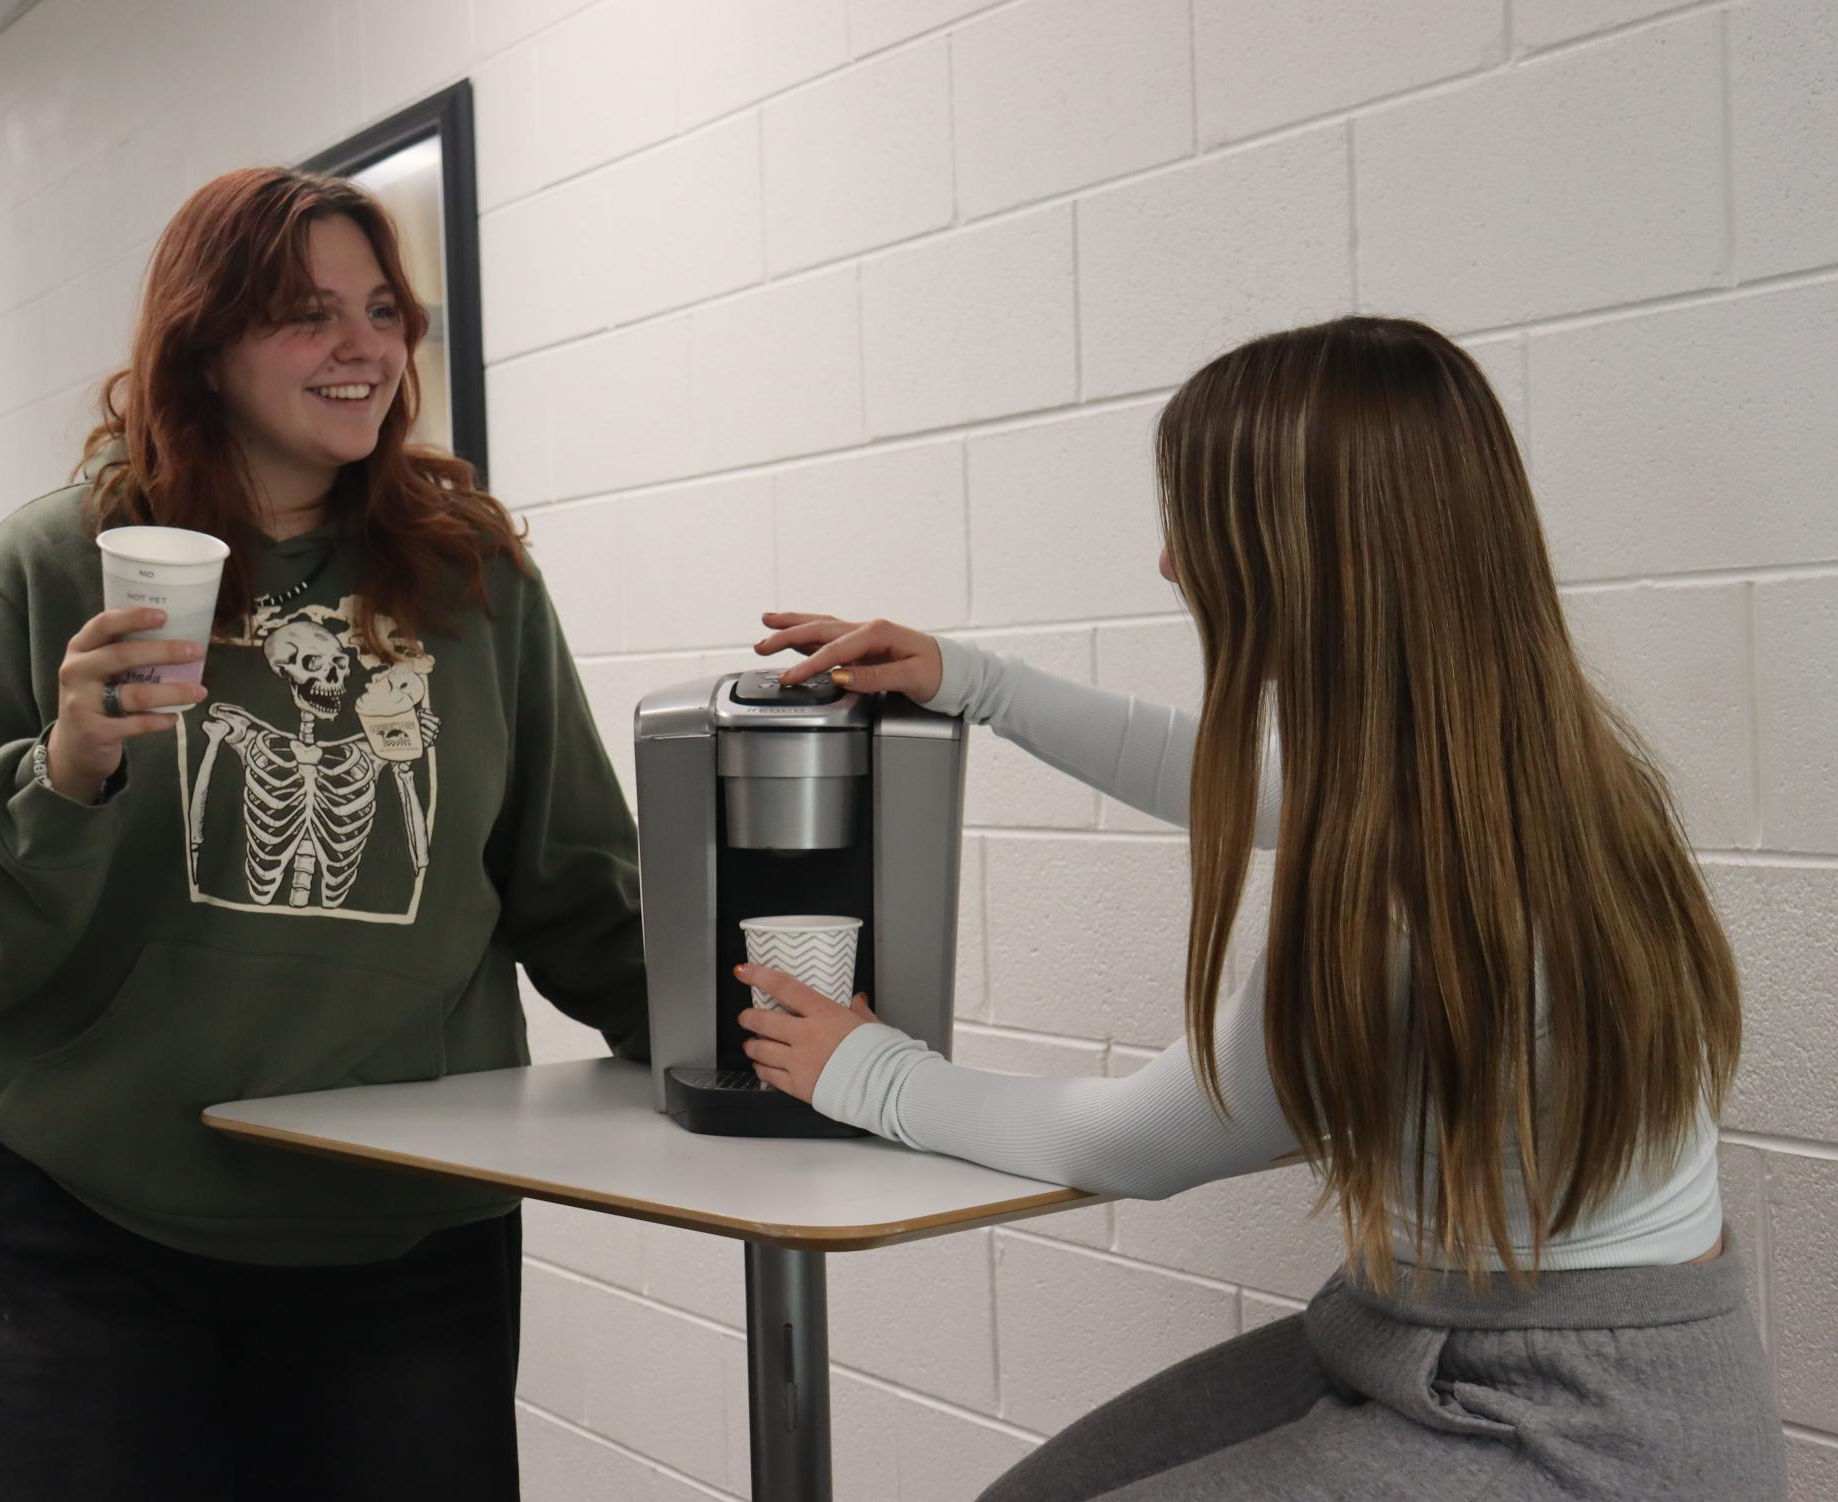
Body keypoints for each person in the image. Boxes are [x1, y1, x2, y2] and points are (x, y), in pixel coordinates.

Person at [734, 317, 1786, 1501]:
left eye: (1198, 525)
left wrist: (863, 1068)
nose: (1173, 565)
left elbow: (1127, 1143)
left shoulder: (1413, 883)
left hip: (1573, 1423)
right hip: (1433, 1332)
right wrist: (967, 678)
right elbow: (1212, 768)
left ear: (1301, 555)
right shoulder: (1515, 766)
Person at [0, 167, 646, 1501]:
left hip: (402, 1225)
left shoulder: (468, 580)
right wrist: (63, 775)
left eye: (383, 310)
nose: (362, 348)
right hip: (86, 1214)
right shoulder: (55, 562)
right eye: (305, 311)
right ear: (203, 344)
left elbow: (577, 890)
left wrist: (770, 1062)